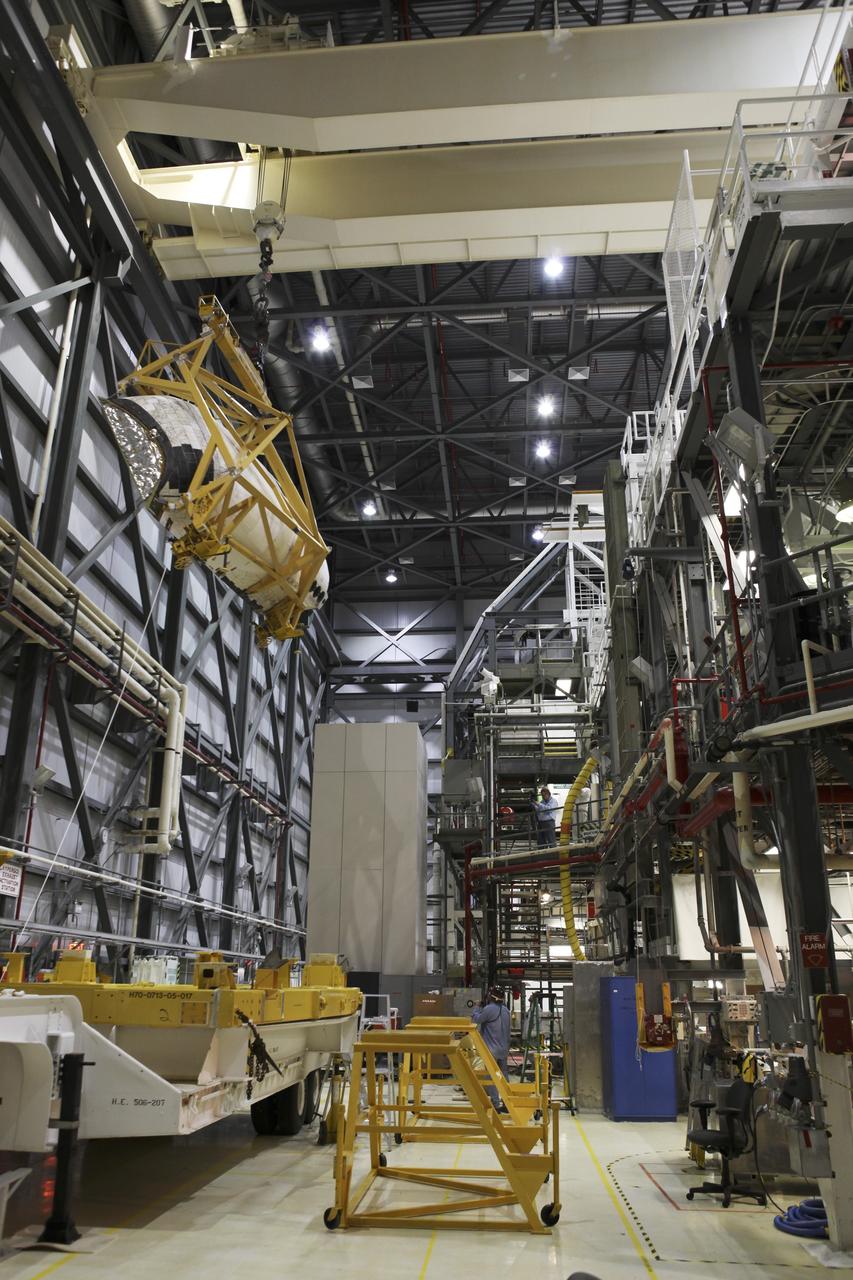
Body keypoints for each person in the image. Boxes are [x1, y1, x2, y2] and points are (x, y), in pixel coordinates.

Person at [472, 986, 511, 1109]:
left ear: (490, 996)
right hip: (503, 1050)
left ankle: (495, 1104)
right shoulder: (506, 1011)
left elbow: (476, 1019)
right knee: (503, 1077)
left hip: (491, 1051)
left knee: (491, 1077)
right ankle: (507, 1103)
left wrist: (477, 1007)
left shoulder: (489, 1009)